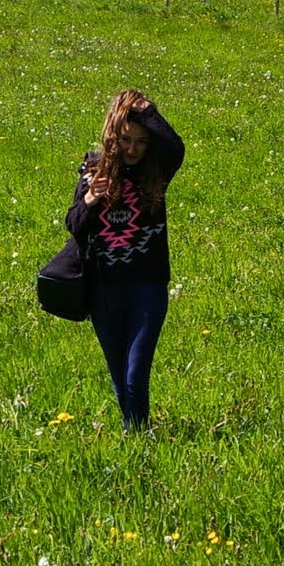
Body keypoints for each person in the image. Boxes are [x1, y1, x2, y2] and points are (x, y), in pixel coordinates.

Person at [65, 89, 184, 431]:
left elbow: (175, 145)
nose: (133, 149)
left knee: (136, 372)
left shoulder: (157, 170)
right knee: (119, 373)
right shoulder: (93, 169)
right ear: (113, 136)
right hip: (103, 288)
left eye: (142, 141)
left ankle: (138, 435)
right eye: (126, 139)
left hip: (148, 285)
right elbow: (73, 224)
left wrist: (142, 109)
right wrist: (90, 199)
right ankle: (135, 434)